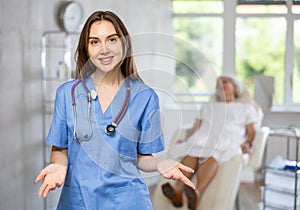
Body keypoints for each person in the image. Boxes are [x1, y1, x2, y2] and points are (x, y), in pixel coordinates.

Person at [35, 11, 195, 210]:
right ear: (86, 48)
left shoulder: (145, 97)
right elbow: (60, 149)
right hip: (78, 200)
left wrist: (158, 164)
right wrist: (59, 166)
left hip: (128, 201)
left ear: (124, 44)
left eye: (112, 39)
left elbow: (141, 158)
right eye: (94, 42)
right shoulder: (67, 94)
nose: (104, 49)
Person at [161, 74, 258, 210]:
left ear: (235, 87)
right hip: (204, 137)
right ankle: (178, 190)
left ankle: (196, 192)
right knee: (191, 152)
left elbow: (252, 130)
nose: (221, 86)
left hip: (227, 138)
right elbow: (196, 126)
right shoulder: (209, 106)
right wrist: (186, 138)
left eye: (225, 82)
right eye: (218, 84)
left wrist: (248, 142)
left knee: (213, 154)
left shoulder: (245, 108)